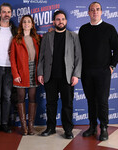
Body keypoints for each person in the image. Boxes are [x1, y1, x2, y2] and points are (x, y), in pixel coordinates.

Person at [37, 10, 82, 139]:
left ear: (66, 21)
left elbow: (78, 57)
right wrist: (40, 73)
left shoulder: (73, 36)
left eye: (62, 19)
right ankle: (50, 128)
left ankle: (68, 130)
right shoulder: (47, 37)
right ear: (53, 21)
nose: (60, 21)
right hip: (50, 76)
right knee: (50, 104)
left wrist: (76, 75)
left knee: (67, 104)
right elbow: (42, 57)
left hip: (67, 77)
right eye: (57, 19)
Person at [79, 2, 118, 141]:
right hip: (86, 72)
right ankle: (92, 126)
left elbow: (117, 49)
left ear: (101, 12)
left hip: (103, 72)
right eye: (92, 10)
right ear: (88, 13)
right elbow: (78, 50)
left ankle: (104, 128)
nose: (95, 12)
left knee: (102, 101)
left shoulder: (109, 29)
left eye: (97, 9)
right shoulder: (83, 29)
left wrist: (112, 66)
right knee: (91, 100)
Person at [0, 3, 17, 134]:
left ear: (11, 14)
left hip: (10, 68)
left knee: (7, 96)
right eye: (4, 12)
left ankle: (5, 124)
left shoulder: (16, 30)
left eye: (9, 12)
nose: (6, 14)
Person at [10, 15, 40, 135]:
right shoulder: (16, 39)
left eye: (29, 22)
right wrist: (15, 74)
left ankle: (31, 126)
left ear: (32, 24)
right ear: (21, 25)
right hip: (21, 71)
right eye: (24, 22)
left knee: (32, 97)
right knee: (21, 97)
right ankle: (23, 126)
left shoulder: (37, 38)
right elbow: (12, 59)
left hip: (34, 70)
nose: (26, 24)